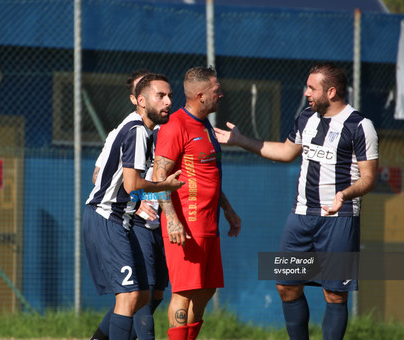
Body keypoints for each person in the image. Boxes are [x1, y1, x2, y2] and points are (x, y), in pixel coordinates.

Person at [214, 62, 379, 340]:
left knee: (335, 293)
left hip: (339, 220)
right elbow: (286, 151)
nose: (306, 93)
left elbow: (369, 178)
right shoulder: (306, 117)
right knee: (286, 285)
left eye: (312, 88)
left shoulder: (361, 126)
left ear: (332, 91)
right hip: (300, 217)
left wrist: (344, 194)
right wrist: (240, 140)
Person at [83, 73, 184, 340]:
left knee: (143, 296)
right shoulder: (137, 130)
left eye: (170, 96)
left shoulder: (143, 129)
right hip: (107, 218)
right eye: (160, 96)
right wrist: (165, 186)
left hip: (118, 220)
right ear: (139, 100)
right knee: (129, 296)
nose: (168, 101)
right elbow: (131, 185)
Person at [152, 66, 241, 340]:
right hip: (185, 226)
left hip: (208, 223)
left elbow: (207, 175)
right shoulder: (175, 125)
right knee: (184, 291)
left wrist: (227, 209)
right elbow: (159, 176)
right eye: (216, 91)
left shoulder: (205, 126)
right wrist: (173, 219)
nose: (221, 94)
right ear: (201, 95)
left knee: (207, 289)